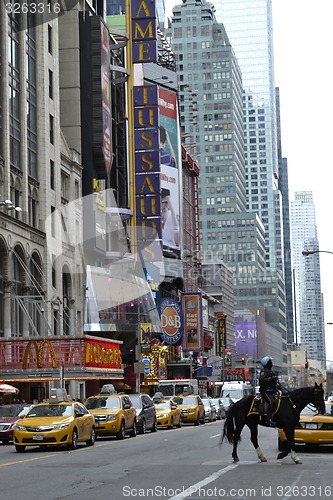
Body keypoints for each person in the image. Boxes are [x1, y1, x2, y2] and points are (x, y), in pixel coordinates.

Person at [259, 356, 280, 426]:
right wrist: (271, 378)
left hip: (273, 391)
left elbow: (275, 381)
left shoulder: (271, 371)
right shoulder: (264, 371)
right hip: (266, 391)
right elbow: (261, 381)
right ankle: (268, 419)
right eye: (270, 362)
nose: (272, 364)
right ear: (267, 364)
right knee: (272, 402)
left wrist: (278, 386)